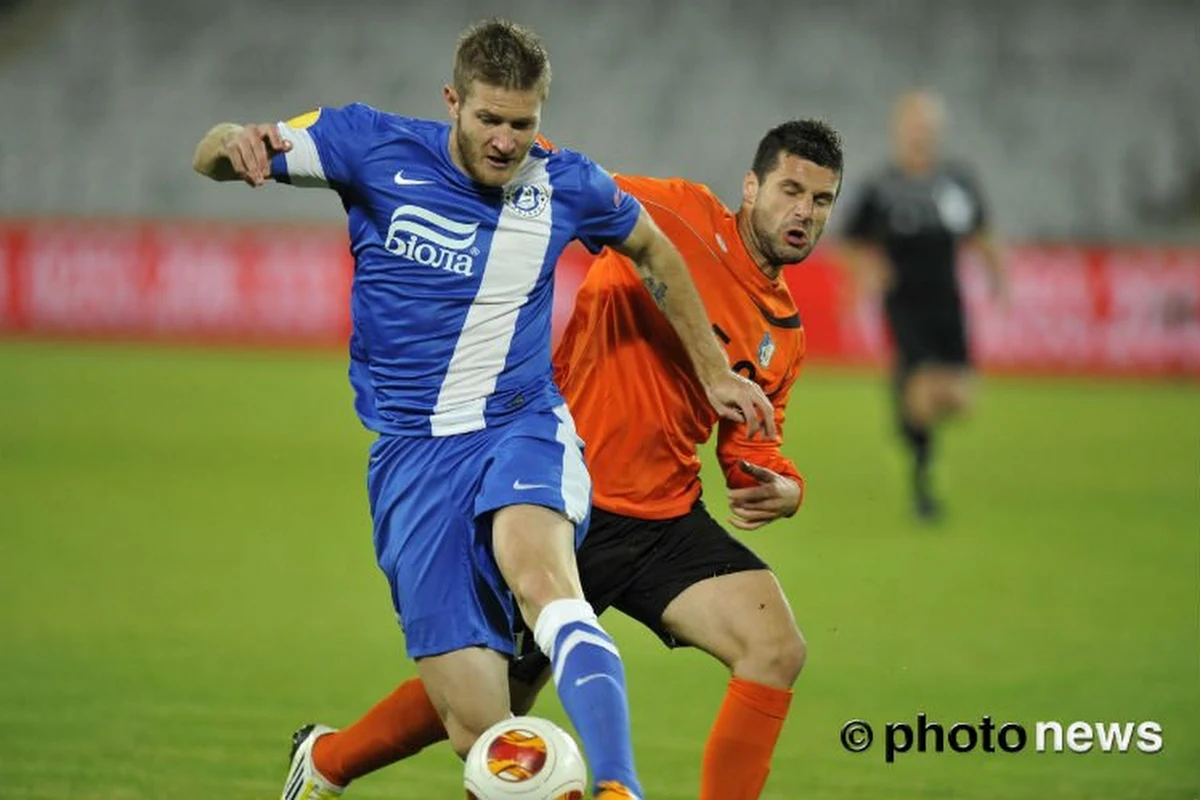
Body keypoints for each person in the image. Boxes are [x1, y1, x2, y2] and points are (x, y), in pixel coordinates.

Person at [190, 19, 777, 800]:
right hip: (412, 458)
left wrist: (710, 373)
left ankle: (618, 786)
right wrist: (237, 142)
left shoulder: (565, 183)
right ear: (453, 102)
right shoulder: (368, 144)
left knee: (549, 588)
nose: (506, 141)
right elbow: (214, 153)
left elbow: (652, 248)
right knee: (483, 731)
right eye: (489, 120)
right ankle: (329, 758)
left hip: (519, 426)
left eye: (523, 123)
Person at [285, 119, 845, 800]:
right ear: (752, 186)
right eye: (791, 190)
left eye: (820, 201)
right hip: (560, 496)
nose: (803, 213)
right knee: (490, 705)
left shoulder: (784, 332)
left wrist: (783, 486)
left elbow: (753, 446)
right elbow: (556, 186)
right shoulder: (674, 212)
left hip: (662, 518)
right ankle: (328, 761)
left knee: (775, 648)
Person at [840, 90, 1008, 520]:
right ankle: (924, 484)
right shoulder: (882, 186)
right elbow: (853, 241)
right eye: (913, 126)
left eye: (927, 127)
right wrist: (867, 274)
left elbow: (982, 233)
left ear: (937, 132)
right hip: (904, 303)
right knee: (920, 388)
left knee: (958, 399)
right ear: (900, 131)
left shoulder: (956, 181)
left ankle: (909, 413)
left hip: (948, 304)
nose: (920, 134)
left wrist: (997, 279)